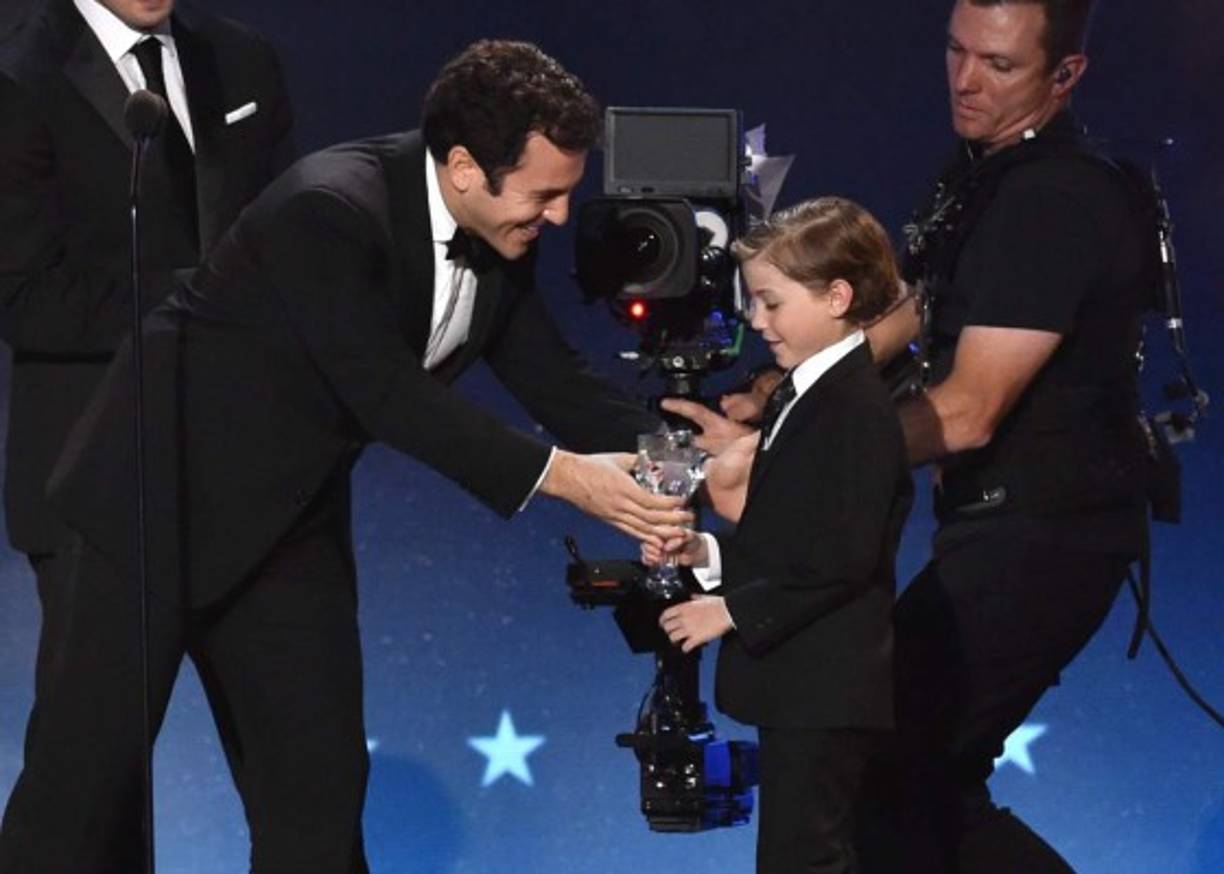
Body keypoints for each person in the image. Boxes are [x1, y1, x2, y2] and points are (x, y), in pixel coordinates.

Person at [0, 38, 685, 873]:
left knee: (317, 796)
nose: (559, 217)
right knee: (79, 797)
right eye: (546, 194)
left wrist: (677, 455)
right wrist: (566, 479)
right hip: (150, 511)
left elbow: (553, 377)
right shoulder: (328, 209)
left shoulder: (498, 227)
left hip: (286, 525)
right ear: (465, 167)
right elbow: (386, 394)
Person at [665, 2, 1153, 870]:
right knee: (904, 778)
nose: (966, 81)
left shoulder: (1056, 197)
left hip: (1052, 533)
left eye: (999, 66)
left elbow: (969, 410)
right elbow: (910, 311)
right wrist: (775, 398)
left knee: (898, 773)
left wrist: (786, 458)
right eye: (956, 52)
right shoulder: (985, 171)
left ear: (1064, 76)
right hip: (1003, 527)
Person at [0, 0, 293, 854]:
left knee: (304, 772)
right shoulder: (17, 67)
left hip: (251, 481)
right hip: (97, 483)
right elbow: (23, 296)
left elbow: (287, 237)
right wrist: (198, 303)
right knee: (95, 795)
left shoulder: (242, 61)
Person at [644, 197, 913, 873]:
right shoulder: (810, 393)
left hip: (826, 687)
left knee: (805, 862)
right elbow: (794, 539)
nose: (756, 321)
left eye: (771, 302)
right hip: (805, 686)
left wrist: (729, 609)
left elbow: (843, 559)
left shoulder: (854, 407)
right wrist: (704, 553)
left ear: (837, 296)